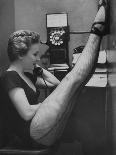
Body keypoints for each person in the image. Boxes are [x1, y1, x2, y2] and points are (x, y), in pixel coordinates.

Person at [0, 0, 109, 149]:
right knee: (73, 79)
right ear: (20, 55)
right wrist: (46, 105)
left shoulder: (27, 76)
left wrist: (38, 68)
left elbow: (56, 85)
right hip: (29, 134)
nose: (38, 58)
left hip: (38, 125)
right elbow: (26, 113)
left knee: (76, 101)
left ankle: (96, 143)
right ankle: (97, 29)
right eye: (35, 54)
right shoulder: (10, 76)